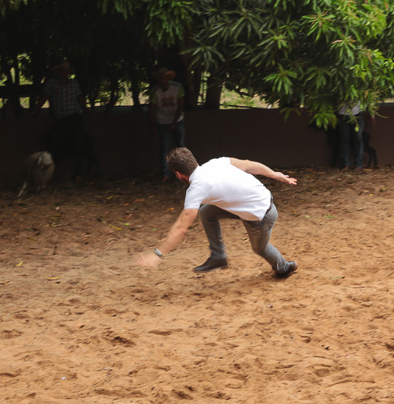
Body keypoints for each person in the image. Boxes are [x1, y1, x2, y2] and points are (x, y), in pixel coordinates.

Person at [135, 147, 298, 278]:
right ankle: (218, 257)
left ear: (178, 174)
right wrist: (274, 174)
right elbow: (248, 164)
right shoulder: (216, 163)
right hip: (260, 199)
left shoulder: (196, 189)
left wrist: (157, 254)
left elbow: (181, 228)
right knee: (206, 212)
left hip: (261, 215)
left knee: (260, 249)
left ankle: (283, 267)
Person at [32, 60, 88, 176]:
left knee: (78, 142)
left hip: (75, 117)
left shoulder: (74, 83)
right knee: (54, 143)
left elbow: (80, 98)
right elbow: (44, 98)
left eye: (66, 71)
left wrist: (89, 111)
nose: (64, 73)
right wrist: (34, 112)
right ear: (58, 72)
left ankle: (78, 173)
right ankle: (52, 171)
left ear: (69, 73)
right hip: (61, 119)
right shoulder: (52, 84)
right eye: (62, 71)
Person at [149, 67, 186, 181]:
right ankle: (166, 174)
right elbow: (152, 110)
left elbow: (181, 106)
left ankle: (183, 173)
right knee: (165, 148)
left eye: (164, 78)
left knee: (180, 147)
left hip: (178, 119)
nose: (162, 81)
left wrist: (174, 122)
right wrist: (154, 127)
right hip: (163, 121)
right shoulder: (155, 91)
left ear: (168, 79)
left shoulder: (177, 87)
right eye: (160, 79)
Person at [337, 103, 365, 171]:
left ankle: (358, 164)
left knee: (358, 139)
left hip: (357, 114)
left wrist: (372, 115)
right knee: (344, 139)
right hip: (342, 114)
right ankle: (345, 164)